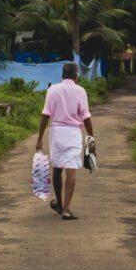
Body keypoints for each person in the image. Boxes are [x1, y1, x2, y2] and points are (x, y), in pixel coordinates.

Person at [35, 62, 94, 219]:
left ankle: (60, 204)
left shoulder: (52, 90)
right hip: (73, 133)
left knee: (57, 168)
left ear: (62, 75)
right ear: (76, 75)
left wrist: (39, 138)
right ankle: (66, 209)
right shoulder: (81, 91)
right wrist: (91, 137)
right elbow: (86, 117)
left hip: (57, 133)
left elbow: (45, 115)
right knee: (71, 171)